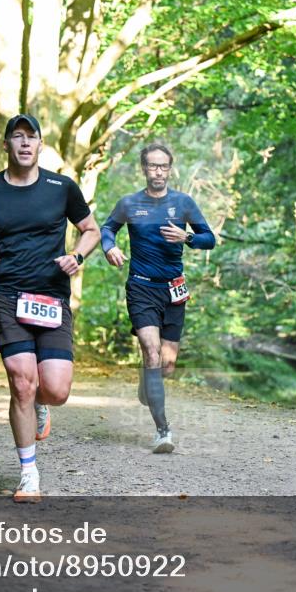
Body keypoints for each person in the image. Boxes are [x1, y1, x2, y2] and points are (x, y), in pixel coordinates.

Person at [0, 114, 100, 502]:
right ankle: (28, 473)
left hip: (52, 297)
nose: (25, 144)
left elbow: (92, 231)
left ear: (40, 145)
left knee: (55, 389)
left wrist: (77, 258)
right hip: (9, 297)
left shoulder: (61, 187)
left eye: (31, 137)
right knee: (20, 380)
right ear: (6, 145)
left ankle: (42, 407)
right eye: (17, 137)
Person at [100, 142, 216, 453]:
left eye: (163, 166)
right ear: (144, 169)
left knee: (165, 365)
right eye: (152, 166)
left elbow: (210, 239)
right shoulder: (129, 204)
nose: (158, 171)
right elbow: (107, 229)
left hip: (173, 290)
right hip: (140, 287)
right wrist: (109, 247)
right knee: (151, 352)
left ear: (170, 168)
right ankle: (163, 431)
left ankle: (147, 381)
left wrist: (187, 237)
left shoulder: (183, 203)